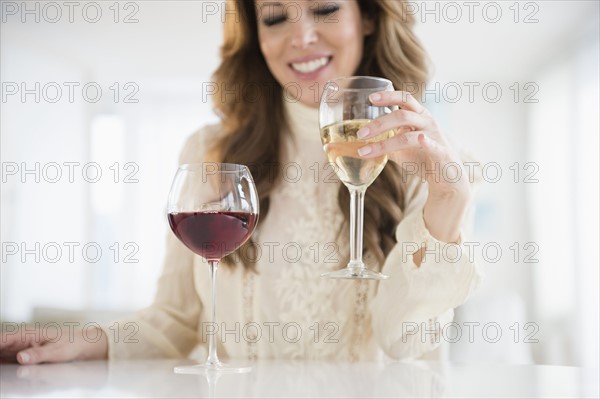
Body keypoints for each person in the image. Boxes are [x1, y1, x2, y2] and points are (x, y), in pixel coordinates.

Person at [1, 0, 481, 364]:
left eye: (326, 9)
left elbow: (406, 341)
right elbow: (175, 319)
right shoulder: (210, 153)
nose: (303, 35)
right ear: (255, 33)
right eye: (275, 18)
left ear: (369, 17)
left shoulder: (428, 162)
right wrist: (90, 340)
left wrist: (449, 198)